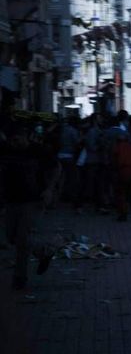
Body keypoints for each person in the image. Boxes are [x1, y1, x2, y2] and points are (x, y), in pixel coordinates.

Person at [0, 123, 54, 290]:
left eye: (17, 140)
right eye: (11, 140)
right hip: (11, 200)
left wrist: (49, 189)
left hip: (33, 199)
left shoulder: (38, 151)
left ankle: (19, 277)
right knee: (12, 237)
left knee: (23, 238)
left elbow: (55, 168)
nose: (14, 143)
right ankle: (42, 251)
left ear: (24, 137)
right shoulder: (6, 151)